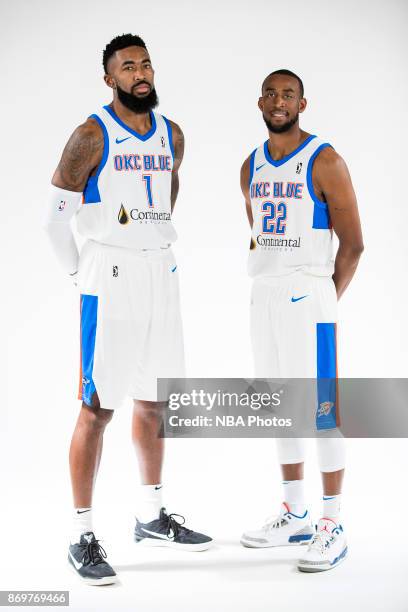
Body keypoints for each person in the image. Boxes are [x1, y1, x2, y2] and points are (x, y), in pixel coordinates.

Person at [44, 33, 212, 586]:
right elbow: (53, 220)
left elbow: (166, 195)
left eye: (145, 64)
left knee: (155, 399)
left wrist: (151, 237)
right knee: (97, 407)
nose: (140, 74)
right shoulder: (91, 135)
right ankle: (80, 533)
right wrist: (80, 275)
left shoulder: (172, 134)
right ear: (109, 78)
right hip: (108, 275)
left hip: (160, 271)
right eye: (127, 67)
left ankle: (150, 516)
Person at [239, 69, 363, 572]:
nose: (279, 101)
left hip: (309, 294)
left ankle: (333, 524)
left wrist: (323, 300)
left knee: (321, 411)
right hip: (263, 293)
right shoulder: (249, 166)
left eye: (288, 94)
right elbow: (260, 234)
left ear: (303, 103)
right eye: (271, 93)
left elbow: (353, 244)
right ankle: (295, 514)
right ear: (260, 101)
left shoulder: (324, 160)